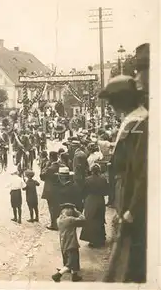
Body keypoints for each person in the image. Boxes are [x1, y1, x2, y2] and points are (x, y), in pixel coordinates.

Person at [102, 51, 148, 282]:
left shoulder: (137, 122)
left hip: (129, 194)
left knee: (127, 261)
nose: (109, 107)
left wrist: (131, 208)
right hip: (124, 192)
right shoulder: (132, 121)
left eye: (112, 102)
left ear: (121, 102)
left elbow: (140, 169)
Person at [52, 203, 85, 282]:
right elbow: (83, 218)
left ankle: (74, 276)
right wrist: (77, 212)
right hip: (71, 243)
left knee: (72, 259)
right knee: (71, 262)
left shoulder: (59, 220)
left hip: (64, 243)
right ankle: (58, 275)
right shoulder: (70, 219)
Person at [80, 163, 109, 248]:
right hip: (100, 200)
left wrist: (83, 200)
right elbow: (106, 192)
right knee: (100, 219)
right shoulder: (103, 179)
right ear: (99, 171)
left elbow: (83, 191)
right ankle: (101, 239)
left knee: (90, 219)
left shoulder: (87, 180)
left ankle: (92, 240)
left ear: (91, 171)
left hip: (90, 200)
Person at [41, 151, 60, 230]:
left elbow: (42, 176)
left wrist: (45, 167)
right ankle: (56, 222)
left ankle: (53, 224)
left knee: (51, 207)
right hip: (58, 189)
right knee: (57, 206)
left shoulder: (50, 168)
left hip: (50, 190)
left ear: (51, 158)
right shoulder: (61, 165)